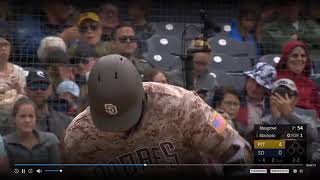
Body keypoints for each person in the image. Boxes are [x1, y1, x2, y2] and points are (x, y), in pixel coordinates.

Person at [63, 54, 252, 176]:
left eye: (125, 118)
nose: (120, 128)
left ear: (142, 96)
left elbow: (238, 150)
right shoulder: (79, 136)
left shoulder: (182, 105)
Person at [261, 78, 318, 161]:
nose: (282, 99)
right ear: (271, 98)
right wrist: (276, 119)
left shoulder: (308, 115)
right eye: (278, 95)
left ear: (296, 99)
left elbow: (313, 136)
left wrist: (289, 114)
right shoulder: (264, 121)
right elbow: (264, 150)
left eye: (288, 95)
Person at [3, 97, 60, 165]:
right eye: (22, 116)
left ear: (36, 118)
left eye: (31, 116)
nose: (27, 120)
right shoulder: (5, 143)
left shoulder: (50, 140)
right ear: (14, 118)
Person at [276, 40, 320, 118]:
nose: (299, 59)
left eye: (303, 56)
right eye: (295, 55)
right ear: (286, 58)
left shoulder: (310, 84)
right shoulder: (278, 82)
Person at [24, 68, 72, 140]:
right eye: (34, 86)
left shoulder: (65, 121)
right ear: (26, 90)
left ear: (50, 89)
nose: (39, 91)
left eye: (43, 86)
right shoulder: (17, 121)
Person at [166, 38, 218, 104]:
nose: (201, 68)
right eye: (197, 63)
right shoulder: (171, 78)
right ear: (188, 60)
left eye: (204, 64)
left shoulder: (211, 81)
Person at [236, 62, 277, 140]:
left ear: (266, 89)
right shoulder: (235, 99)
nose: (254, 88)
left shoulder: (272, 107)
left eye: (259, 86)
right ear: (247, 79)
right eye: (252, 81)